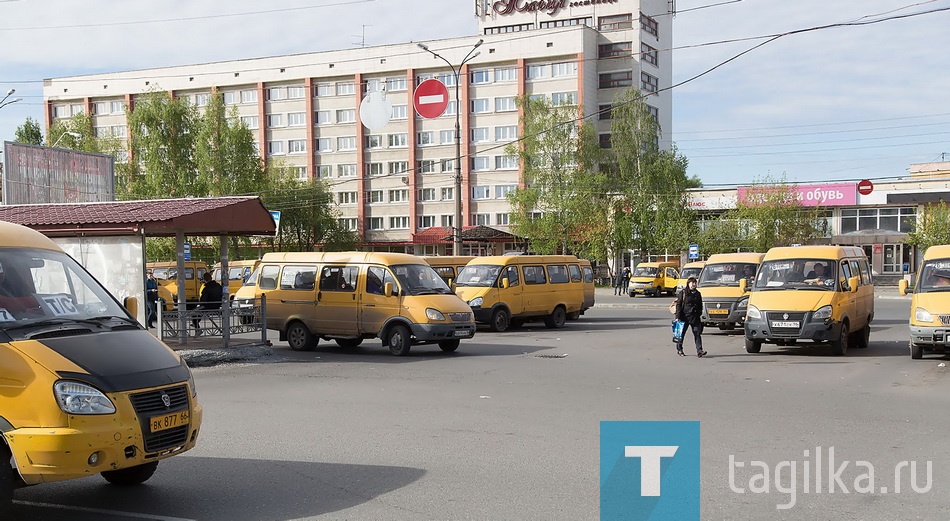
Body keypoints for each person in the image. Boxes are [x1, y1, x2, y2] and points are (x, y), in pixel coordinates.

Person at [674, 276, 706, 357]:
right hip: (684, 316)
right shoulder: (683, 292)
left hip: (695, 317)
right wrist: (678, 316)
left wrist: (699, 313)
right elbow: (679, 305)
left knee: (697, 334)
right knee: (681, 334)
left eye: (695, 283)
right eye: (692, 283)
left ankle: (700, 351)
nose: (693, 284)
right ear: (688, 284)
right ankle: (679, 349)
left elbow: (700, 305)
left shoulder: (698, 293)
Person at [192, 272, 222, 336]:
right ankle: (196, 323)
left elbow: (203, 301)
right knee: (198, 313)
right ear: (211, 278)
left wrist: (200, 304)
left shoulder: (206, 288)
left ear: (204, 279)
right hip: (217, 305)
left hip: (208, 306)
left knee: (194, 313)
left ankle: (197, 328)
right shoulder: (218, 286)